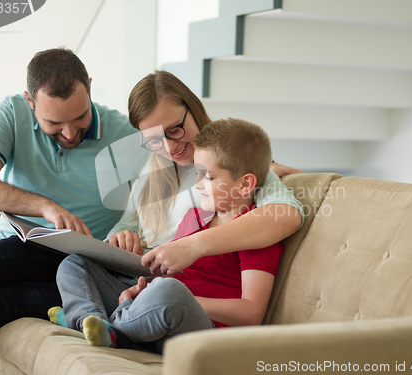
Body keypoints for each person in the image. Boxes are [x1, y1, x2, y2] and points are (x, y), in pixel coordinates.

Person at [52, 118, 285, 353]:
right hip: (156, 310)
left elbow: (251, 312)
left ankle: (108, 327)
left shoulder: (256, 234)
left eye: (208, 177)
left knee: (170, 292)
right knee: (75, 263)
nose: (197, 185)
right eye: (197, 173)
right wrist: (142, 291)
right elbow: (169, 275)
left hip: (201, 330)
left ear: (245, 185)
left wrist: (174, 298)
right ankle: (92, 322)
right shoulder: (195, 216)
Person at [0, 48, 138, 338]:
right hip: (5, 243)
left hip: (71, 265)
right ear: (29, 101)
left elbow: (152, 206)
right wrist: (46, 208)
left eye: (80, 117)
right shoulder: (12, 112)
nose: (70, 133)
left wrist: (126, 229)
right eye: (54, 123)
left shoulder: (125, 137)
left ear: (90, 88)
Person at [107, 70, 304, 277]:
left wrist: (191, 246)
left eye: (174, 130)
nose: (170, 147)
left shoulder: (234, 161)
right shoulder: (154, 164)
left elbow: (287, 216)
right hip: (136, 275)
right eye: (154, 140)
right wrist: (119, 236)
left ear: (193, 108)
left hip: (174, 284)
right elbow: (130, 221)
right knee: (74, 264)